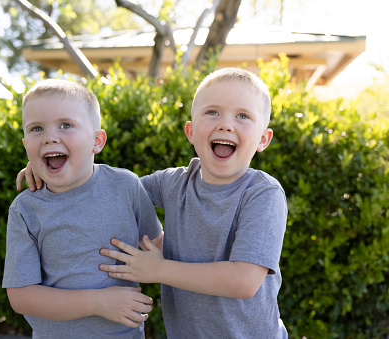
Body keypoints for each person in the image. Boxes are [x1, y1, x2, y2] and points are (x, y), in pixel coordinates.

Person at [18, 68, 288, 338]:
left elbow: (244, 281)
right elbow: (106, 188)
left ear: (263, 139)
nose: (225, 124)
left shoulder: (262, 193)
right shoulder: (173, 183)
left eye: (243, 116)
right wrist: (49, 160)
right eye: (212, 112)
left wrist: (158, 269)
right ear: (191, 132)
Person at [3, 79, 163, 339]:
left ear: (97, 141)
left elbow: (158, 245)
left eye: (66, 125)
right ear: (26, 146)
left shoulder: (126, 186)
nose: (50, 137)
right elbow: (21, 297)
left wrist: (159, 266)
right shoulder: (26, 209)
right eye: (37, 129)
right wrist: (98, 302)